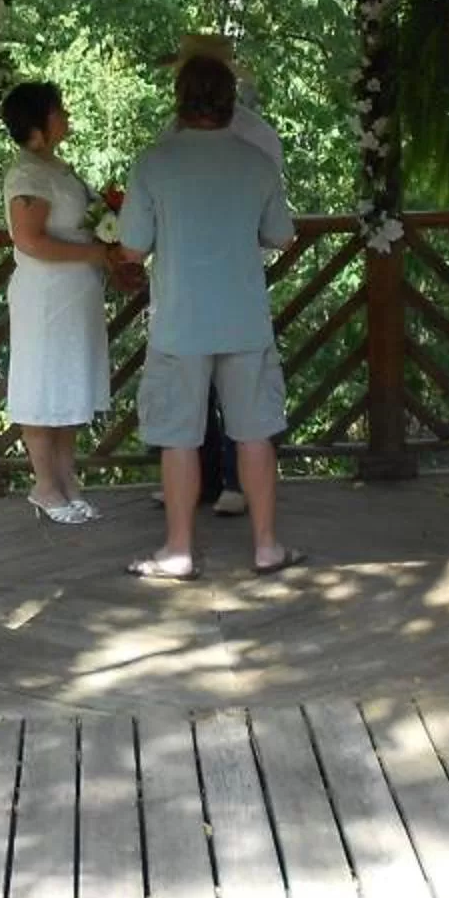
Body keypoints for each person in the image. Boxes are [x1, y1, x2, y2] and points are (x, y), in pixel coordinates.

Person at [116, 53, 302, 579]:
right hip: (244, 318)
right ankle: (266, 546)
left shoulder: (155, 162)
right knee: (255, 432)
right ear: (230, 100)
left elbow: (132, 246)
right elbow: (280, 234)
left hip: (180, 321)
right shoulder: (256, 162)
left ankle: (178, 550)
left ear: (180, 98)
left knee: (178, 436)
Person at [168, 31, 281, 518]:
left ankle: (231, 480)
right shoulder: (171, 136)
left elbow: (271, 219)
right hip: (203, 279)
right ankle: (205, 478)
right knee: (209, 386)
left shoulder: (256, 137)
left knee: (227, 385)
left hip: (221, 274)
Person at [0, 81, 116, 525]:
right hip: (45, 297)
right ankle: (45, 484)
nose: (65, 116)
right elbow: (29, 239)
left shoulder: (57, 167)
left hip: (77, 293)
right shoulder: (27, 173)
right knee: (41, 383)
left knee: (69, 383)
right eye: (58, 110)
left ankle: (68, 479)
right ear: (39, 121)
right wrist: (94, 253)